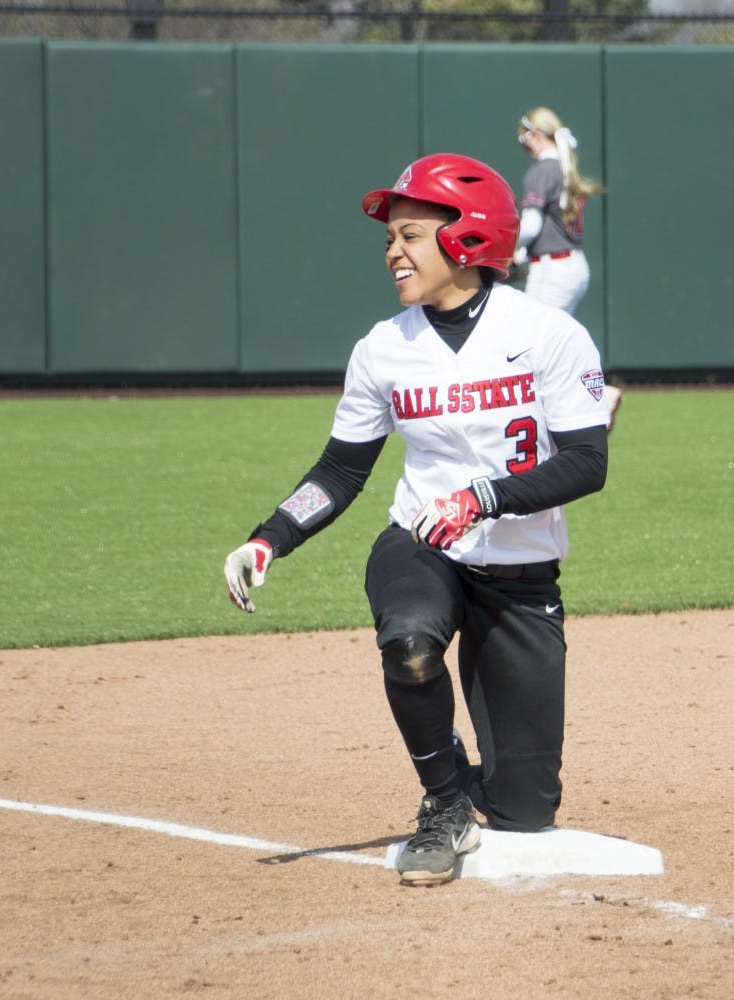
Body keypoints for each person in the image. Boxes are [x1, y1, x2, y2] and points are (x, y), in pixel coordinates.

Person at [224, 153, 612, 887]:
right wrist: (270, 536)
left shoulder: (548, 334)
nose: (392, 253)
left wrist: (484, 497)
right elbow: (340, 470)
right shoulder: (383, 347)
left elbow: (588, 463)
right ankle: (443, 803)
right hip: (421, 548)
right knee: (408, 642)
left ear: (466, 237)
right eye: (389, 239)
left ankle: (475, 786)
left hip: (521, 574)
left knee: (526, 811)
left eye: (409, 234)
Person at [513, 106, 602, 317]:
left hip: (552, 271)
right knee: (556, 342)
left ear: (534, 134)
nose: (524, 146)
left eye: (523, 138)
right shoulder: (565, 169)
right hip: (574, 265)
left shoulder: (541, 171)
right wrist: (522, 253)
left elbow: (531, 227)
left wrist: (507, 249)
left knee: (534, 341)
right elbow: (551, 227)